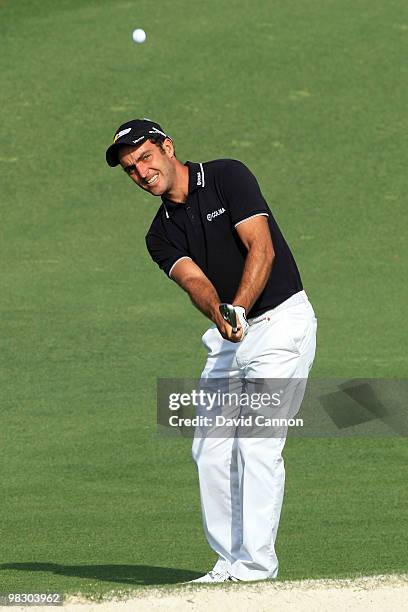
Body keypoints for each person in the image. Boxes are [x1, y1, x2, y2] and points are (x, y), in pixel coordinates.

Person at [106, 118, 317, 583]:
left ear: (167, 148)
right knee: (211, 449)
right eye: (131, 169)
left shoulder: (226, 176)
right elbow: (194, 282)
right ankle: (229, 561)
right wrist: (222, 314)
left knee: (258, 444)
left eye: (145, 158)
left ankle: (257, 566)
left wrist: (239, 306)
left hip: (281, 323)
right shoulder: (158, 235)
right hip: (229, 337)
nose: (141, 173)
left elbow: (261, 248)